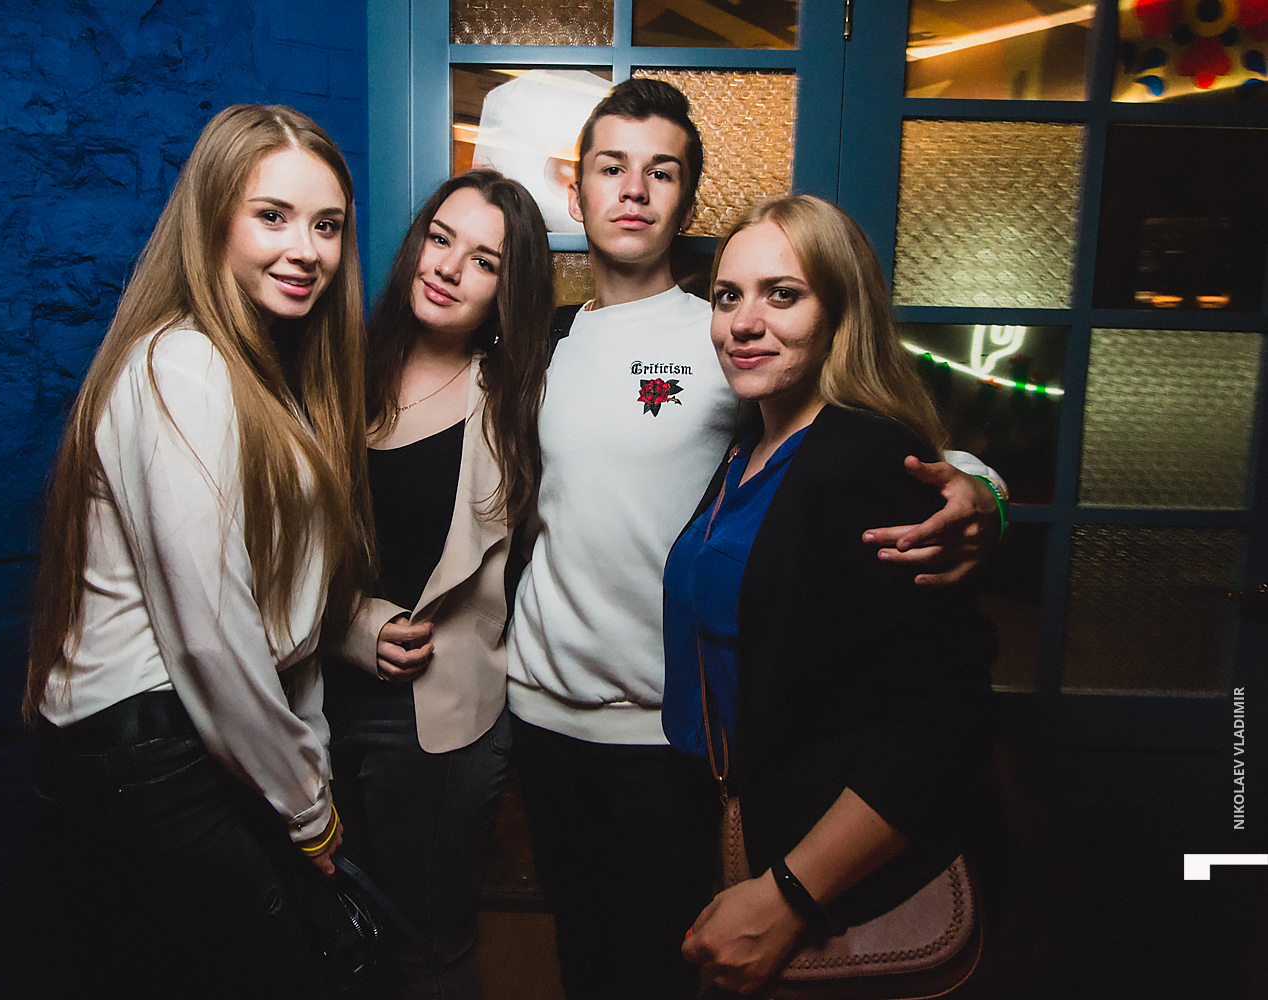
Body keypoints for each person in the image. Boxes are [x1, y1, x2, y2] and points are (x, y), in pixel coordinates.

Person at [503, 78, 1008, 1000]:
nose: (633, 189)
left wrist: (982, 493)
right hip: (543, 716)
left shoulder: (728, 342)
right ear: (574, 192)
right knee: (583, 955)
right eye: (610, 168)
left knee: (666, 967)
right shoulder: (545, 341)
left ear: (687, 201)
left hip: (673, 739)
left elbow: (877, 437)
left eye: (661, 172)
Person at [24, 104, 372, 999]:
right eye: (273, 216)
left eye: (327, 225)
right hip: (155, 757)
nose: (306, 250)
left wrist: (309, 766)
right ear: (213, 219)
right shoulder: (184, 365)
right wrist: (308, 805)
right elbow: (211, 633)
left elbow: (278, 617)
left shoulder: (254, 374)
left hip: (183, 753)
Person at [667, 194, 996, 994]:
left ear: (839, 313)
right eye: (728, 296)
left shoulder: (865, 460)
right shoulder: (753, 443)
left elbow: (938, 722)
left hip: (819, 870)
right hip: (740, 821)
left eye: (783, 294)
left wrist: (790, 895)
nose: (745, 322)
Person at [323, 169, 553, 1000]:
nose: (448, 267)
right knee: (336, 941)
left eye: (484, 261)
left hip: (437, 724)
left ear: (507, 291)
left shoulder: (521, 399)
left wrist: (943, 491)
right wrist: (357, 627)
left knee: (429, 951)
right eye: (440, 237)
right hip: (311, 700)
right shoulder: (334, 371)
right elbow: (273, 548)